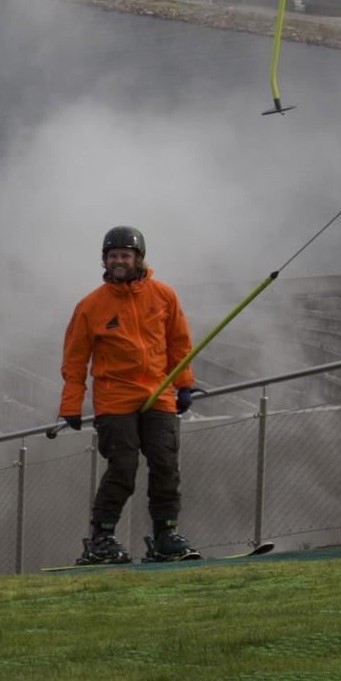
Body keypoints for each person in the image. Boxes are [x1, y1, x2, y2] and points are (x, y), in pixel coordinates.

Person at [59, 225, 200, 565]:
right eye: (112, 256)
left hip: (158, 394)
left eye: (125, 255)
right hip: (115, 400)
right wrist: (71, 406)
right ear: (104, 261)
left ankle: (166, 534)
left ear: (139, 258)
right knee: (123, 466)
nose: (118, 261)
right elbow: (75, 360)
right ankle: (102, 538)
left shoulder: (164, 296)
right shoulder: (90, 306)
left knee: (165, 464)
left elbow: (178, 344)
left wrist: (183, 385)